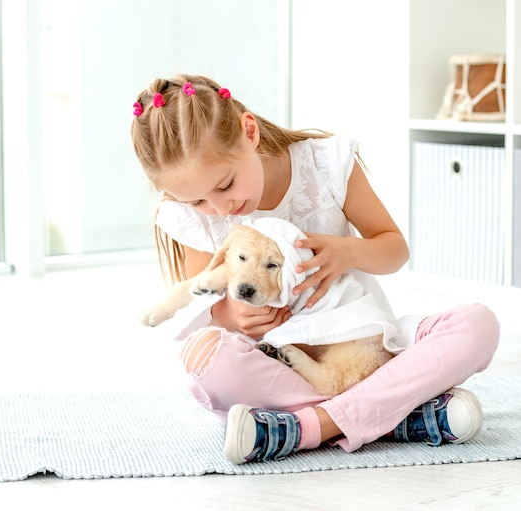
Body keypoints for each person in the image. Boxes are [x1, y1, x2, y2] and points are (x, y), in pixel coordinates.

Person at [130, 73, 500, 464]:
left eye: (225, 186)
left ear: (249, 132)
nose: (219, 209)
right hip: (282, 369)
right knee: (202, 357)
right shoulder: (197, 219)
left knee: (477, 326)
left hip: (365, 351)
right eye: (198, 202)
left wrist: (348, 252)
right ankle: (398, 415)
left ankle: (308, 427)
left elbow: (394, 250)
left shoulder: (325, 166)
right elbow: (206, 306)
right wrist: (232, 315)